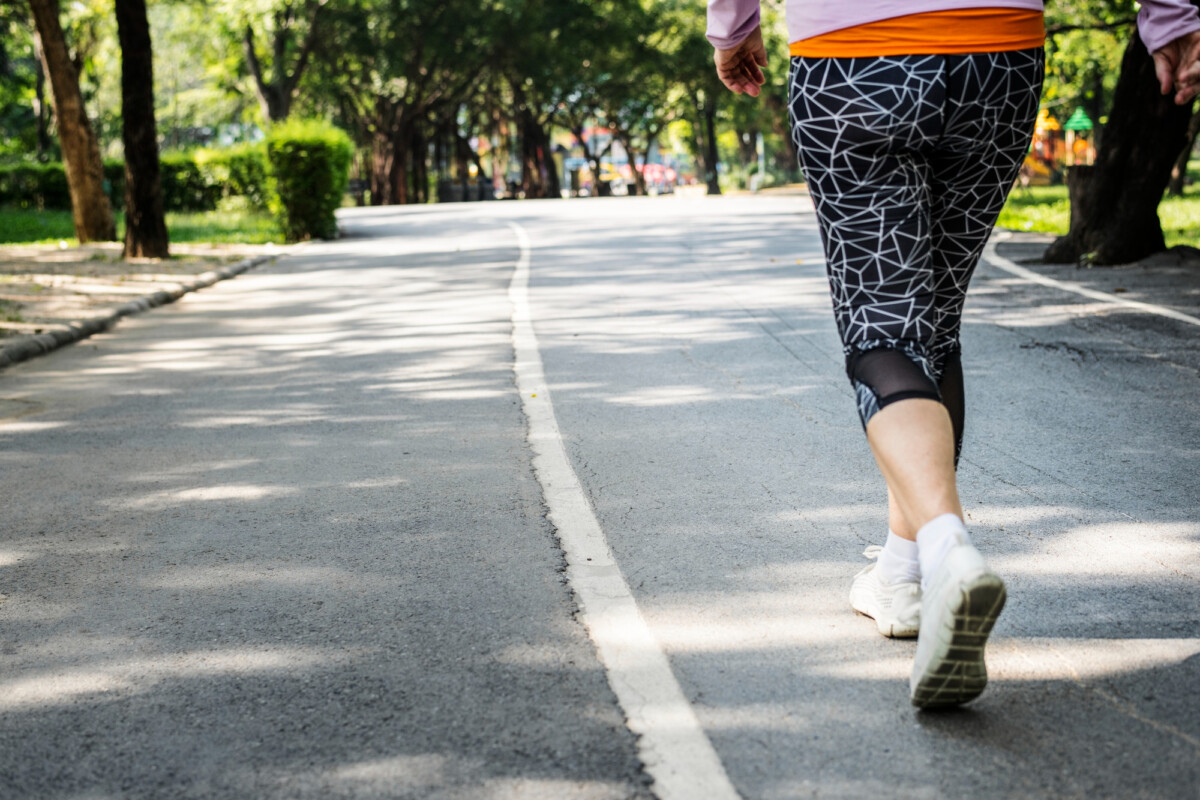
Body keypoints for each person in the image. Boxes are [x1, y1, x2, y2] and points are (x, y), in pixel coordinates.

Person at [706, 0, 1200, 709]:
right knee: (933, 320)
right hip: (997, 59)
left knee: (884, 329)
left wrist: (733, 25)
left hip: (853, 61)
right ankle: (902, 578)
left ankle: (945, 549)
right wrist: (1169, 16)